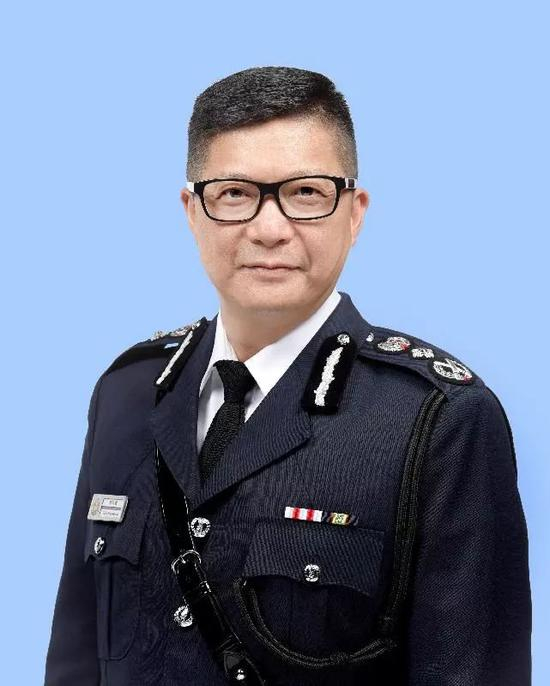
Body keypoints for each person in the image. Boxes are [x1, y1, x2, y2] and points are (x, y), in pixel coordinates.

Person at [44, 66, 531, 686]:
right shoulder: (128, 392)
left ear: (354, 213)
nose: (269, 229)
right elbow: (76, 656)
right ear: (192, 212)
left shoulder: (438, 420)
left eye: (305, 193)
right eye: (234, 194)